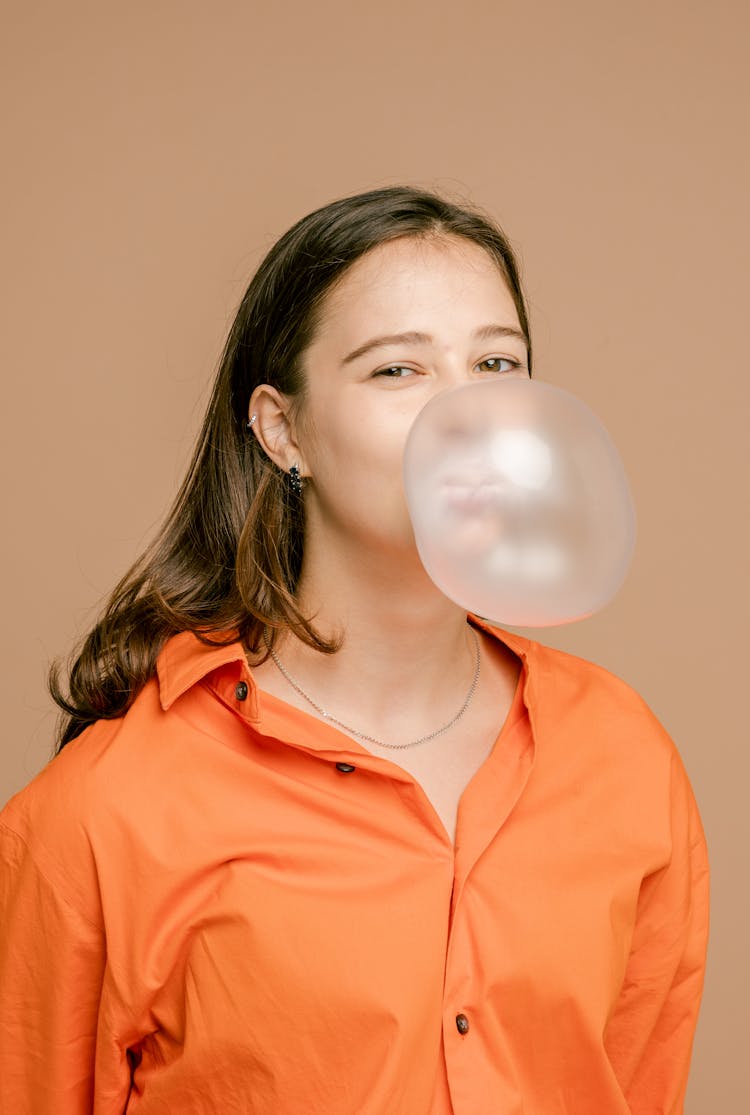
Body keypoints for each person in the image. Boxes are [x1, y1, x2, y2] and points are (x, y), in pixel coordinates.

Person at [0, 185, 709, 1114]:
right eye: (397, 371)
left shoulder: (622, 756)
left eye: (497, 362)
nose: (472, 419)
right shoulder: (106, 809)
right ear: (281, 429)